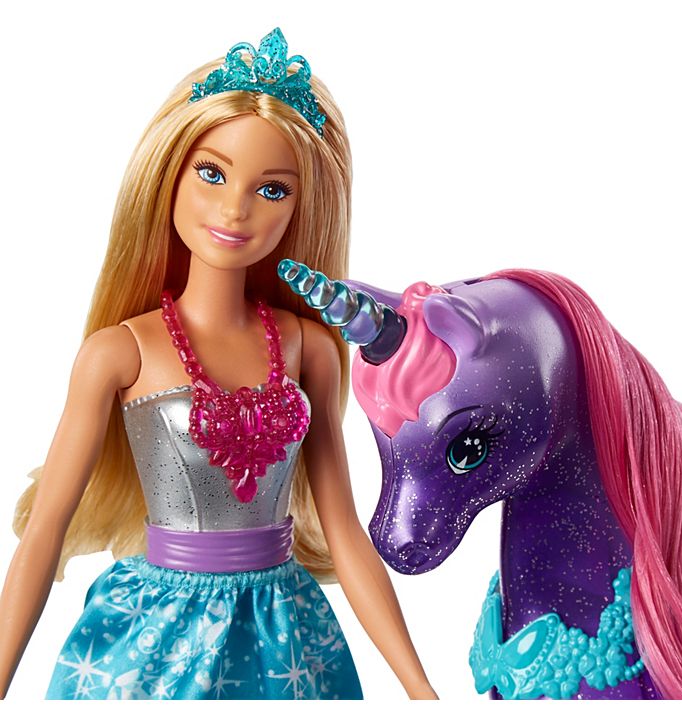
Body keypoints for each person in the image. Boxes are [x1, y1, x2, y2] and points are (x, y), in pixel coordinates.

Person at [0, 28, 437, 700]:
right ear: (168, 175)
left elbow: (345, 531)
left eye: (273, 190)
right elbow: (45, 531)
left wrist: (420, 691)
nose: (235, 208)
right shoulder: (120, 352)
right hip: (155, 630)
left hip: (283, 631)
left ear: (301, 207)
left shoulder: (310, 348)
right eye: (212, 173)